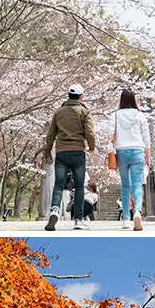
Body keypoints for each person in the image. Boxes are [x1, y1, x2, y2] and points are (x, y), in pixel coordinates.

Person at [44, 84, 96, 231]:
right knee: (79, 187)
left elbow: (50, 135)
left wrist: (47, 152)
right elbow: (90, 132)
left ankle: (54, 209)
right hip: (78, 151)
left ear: (68, 95)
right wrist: (91, 147)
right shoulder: (84, 112)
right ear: (81, 96)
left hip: (61, 151)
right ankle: (78, 220)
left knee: (59, 184)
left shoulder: (59, 112)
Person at [110, 88, 151, 232]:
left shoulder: (115, 115)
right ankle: (138, 212)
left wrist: (113, 146)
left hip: (122, 152)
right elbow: (146, 136)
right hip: (138, 150)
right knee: (138, 185)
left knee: (125, 186)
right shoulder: (140, 116)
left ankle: (126, 219)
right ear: (134, 100)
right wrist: (148, 154)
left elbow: (110, 134)